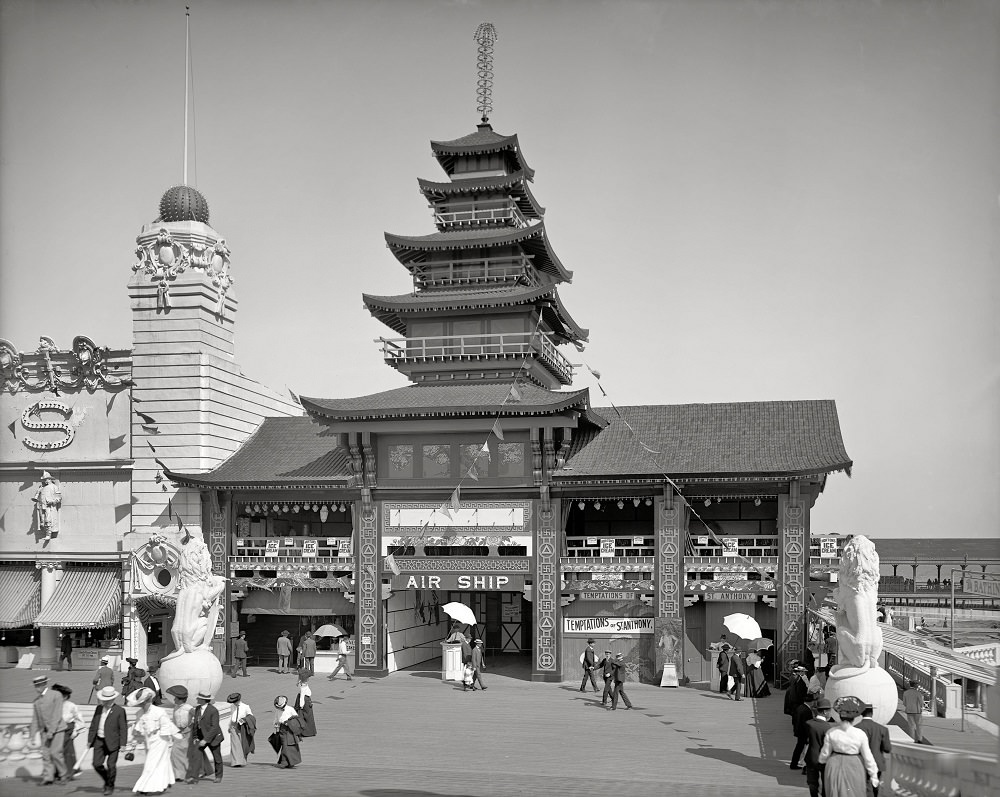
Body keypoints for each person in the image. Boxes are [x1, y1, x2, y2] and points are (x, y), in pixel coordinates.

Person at [818, 696, 879, 797]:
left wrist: (820, 770)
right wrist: (874, 775)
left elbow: (824, 755)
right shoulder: (860, 734)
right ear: (853, 717)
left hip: (834, 765)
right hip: (854, 765)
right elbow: (868, 757)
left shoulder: (832, 732)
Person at [127, 685, 181, 794]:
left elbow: (166, 725)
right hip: (149, 741)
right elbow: (137, 731)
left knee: (151, 763)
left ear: (148, 701)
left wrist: (172, 737)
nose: (142, 705)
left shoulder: (159, 711)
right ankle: (165, 782)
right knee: (161, 762)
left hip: (160, 740)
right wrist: (133, 746)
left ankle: (144, 787)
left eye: (144, 702)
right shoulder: (139, 714)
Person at [88, 685, 128, 797]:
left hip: (113, 742)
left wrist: (123, 744)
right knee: (96, 764)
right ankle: (107, 780)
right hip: (99, 741)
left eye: (106, 700)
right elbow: (93, 724)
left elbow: (123, 728)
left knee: (111, 765)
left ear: (112, 699)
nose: (103, 701)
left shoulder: (120, 711)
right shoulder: (98, 708)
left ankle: (110, 786)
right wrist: (89, 740)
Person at [30, 674, 67, 785]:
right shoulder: (36, 701)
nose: (37, 687)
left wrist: (52, 731)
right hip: (44, 731)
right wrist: (32, 735)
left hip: (58, 729)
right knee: (46, 755)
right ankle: (48, 777)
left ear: (45, 684)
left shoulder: (56, 695)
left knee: (55, 753)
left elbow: (57, 714)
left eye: (39, 685)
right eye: (36, 685)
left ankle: (63, 775)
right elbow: (35, 719)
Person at [187, 690, 224, 784]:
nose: (197, 699)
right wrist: (195, 736)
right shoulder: (198, 709)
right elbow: (196, 723)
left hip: (214, 738)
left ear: (203, 700)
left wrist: (206, 740)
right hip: (201, 737)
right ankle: (194, 777)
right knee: (196, 756)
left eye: (198, 698)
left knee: (217, 758)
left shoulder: (213, 710)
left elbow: (214, 727)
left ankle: (218, 776)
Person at [857, 702, 891, 797]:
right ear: (872, 713)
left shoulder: (856, 728)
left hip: (861, 763)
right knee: (875, 787)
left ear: (861, 713)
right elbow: (887, 749)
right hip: (877, 763)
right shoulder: (882, 729)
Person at [803, 698, 835, 797]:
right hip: (824, 760)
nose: (830, 713)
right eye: (829, 711)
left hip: (811, 757)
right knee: (826, 783)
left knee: (812, 783)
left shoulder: (808, 724)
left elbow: (805, 741)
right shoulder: (827, 728)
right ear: (825, 712)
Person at [51, 684, 83, 778]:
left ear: (65, 696)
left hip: (67, 731)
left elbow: (79, 719)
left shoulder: (71, 706)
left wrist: (76, 731)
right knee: (55, 752)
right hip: (56, 730)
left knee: (67, 752)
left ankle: (68, 773)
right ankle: (57, 772)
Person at [166, 685, 193, 783]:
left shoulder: (188, 708)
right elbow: (174, 720)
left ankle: (188, 773)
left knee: (186, 754)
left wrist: (191, 725)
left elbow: (198, 717)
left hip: (188, 733)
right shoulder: (175, 708)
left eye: (175, 698)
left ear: (180, 699)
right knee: (175, 753)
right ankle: (179, 774)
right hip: (178, 734)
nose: (174, 700)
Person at [271, 695, 306, 769]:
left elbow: (296, 718)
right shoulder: (278, 711)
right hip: (281, 729)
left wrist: (289, 723)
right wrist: (276, 724)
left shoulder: (290, 709)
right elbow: (276, 719)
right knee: (284, 745)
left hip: (290, 729)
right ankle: (289, 762)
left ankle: (285, 762)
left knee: (287, 746)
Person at [226, 693, 255, 768]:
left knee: (243, 744)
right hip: (233, 726)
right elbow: (231, 716)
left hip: (242, 727)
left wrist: (245, 720)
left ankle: (242, 760)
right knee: (235, 744)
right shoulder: (232, 706)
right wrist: (229, 726)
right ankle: (236, 761)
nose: (234, 703)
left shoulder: (245, 706)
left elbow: (251, 716)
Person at [790, 694, 815, 769]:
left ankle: (794, 763)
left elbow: (793, 720)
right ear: (811, 702)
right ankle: (800, 764)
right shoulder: (807, 711)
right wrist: (809, 735)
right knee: (803, 748)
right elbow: (807, 724)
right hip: (804, 733)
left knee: (799, 748)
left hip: (798, 731)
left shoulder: (799, 708)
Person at [293, 669, 316, 737]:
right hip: (305, 701)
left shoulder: (301, 683)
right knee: (307, 716)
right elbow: (302, 696)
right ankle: (306, 732)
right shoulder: (303, 686)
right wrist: (301, 705)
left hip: (304, 700)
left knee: (303, 716)